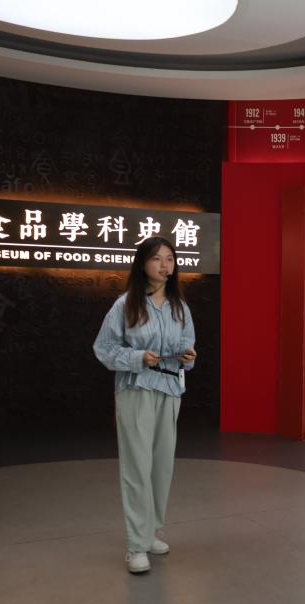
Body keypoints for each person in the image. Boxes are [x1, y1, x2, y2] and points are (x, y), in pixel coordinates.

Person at [94, 236, 197, 574]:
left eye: (170, 259)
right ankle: (136, 545)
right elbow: (104, 348)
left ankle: (151, 531)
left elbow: (188, 347)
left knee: (161, 465)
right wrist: (138, 357)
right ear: (142, 263)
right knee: (137, 466)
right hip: (136, 388)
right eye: (157, 258)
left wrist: (189, 357)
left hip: (169, 389)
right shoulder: (125, 305)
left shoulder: (180, 307)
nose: (165, 265)